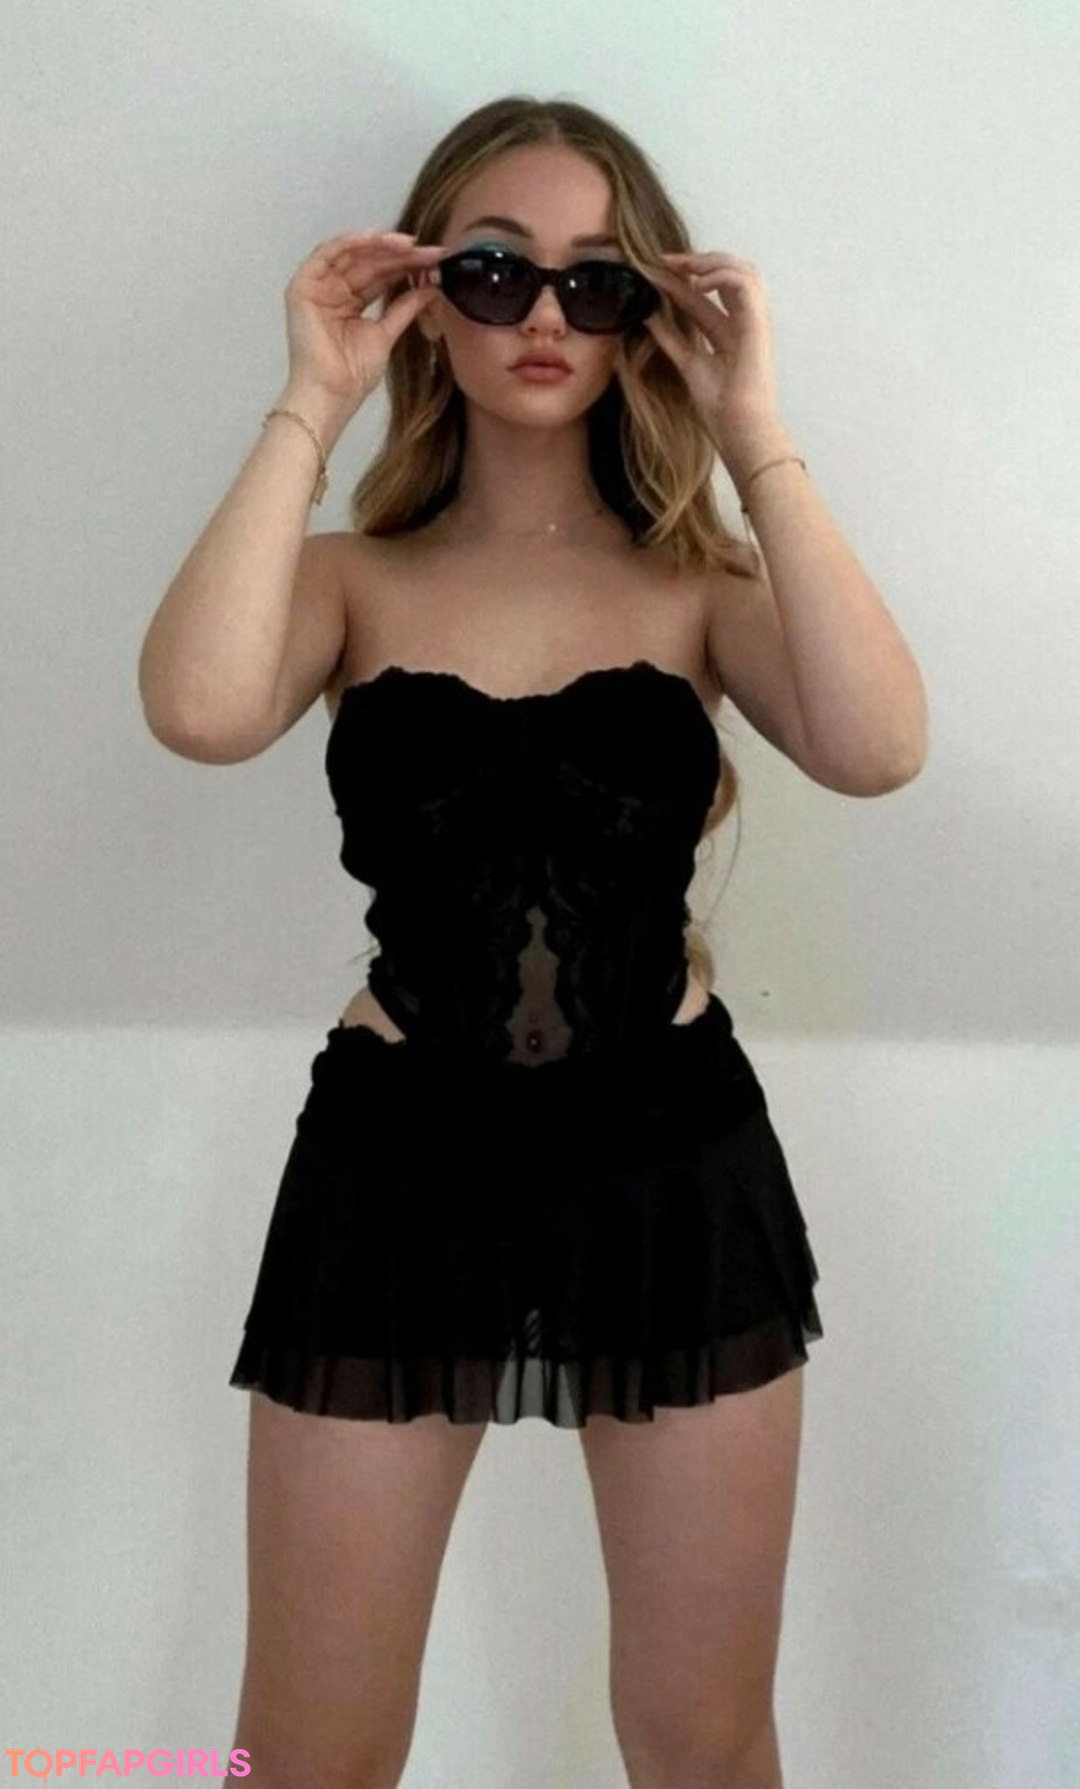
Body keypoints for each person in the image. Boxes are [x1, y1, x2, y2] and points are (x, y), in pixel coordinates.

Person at [138, 95, 926, 1789]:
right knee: (309, 1752)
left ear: (653, 310)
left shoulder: (696, 587)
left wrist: (753, 425)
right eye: (495, 272)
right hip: (394, 1175)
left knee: (703, 1743)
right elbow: (199, 709)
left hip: (673, 1168)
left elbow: (878, 747)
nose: (547, 315)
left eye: (599, 280)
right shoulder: (352, 579)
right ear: (425, 294)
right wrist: (312, 396)